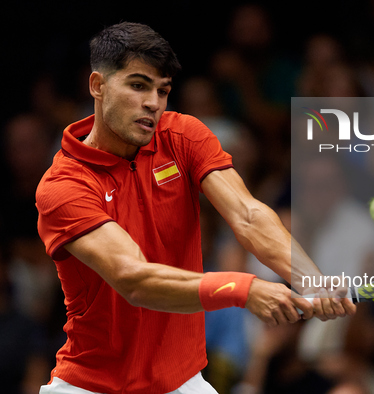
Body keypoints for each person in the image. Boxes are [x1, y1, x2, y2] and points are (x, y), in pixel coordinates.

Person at [35, 22, 355, 394]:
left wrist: (309, 279)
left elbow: (248, 216)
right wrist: (242, 288)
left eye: (163, 90)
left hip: (183, 382)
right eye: (138, 85)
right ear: (98, 86)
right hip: (92, 386)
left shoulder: (183, 136)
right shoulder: (64, 186)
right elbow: (133, 278)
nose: (153, 102)